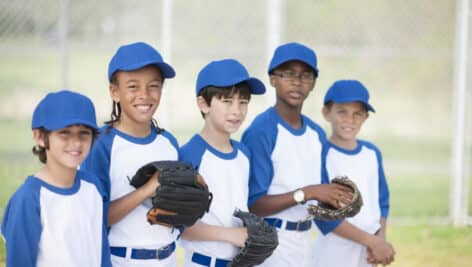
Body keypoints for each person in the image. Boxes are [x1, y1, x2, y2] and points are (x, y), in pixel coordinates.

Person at [241, 42, 353, 266]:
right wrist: (308, 193)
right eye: (288, 74)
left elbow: (320, 194)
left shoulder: (316, 134)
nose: (297, 82)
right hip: (270, 242)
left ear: (312, 84)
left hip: (303, 241)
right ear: (273, 79)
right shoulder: (262, 131)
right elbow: (253, 204)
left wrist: (338, 199)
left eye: (305, 75)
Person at [80, 42, 179, 267]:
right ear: (114, 92)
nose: (144, 95)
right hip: (121, 259)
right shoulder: (100, 145)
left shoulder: (169, 143)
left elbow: (177, 213)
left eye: (153, 86)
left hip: (168, 258)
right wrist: (146, 190)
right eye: (133, 87)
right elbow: (93, 218)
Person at [1, 90, 111, 267]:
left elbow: (101, 253)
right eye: (64, 133)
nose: (75, 142)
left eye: (84, 133)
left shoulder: (93, 187)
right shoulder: (29, 198)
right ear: (40, 137)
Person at [178, 59, 266, 266]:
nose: (237, 111)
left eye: (243, 102)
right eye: (227, 101)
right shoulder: (190, 155)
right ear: (203, 104)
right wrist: (232, 235)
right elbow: (180, 225)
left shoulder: (244, 154)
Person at [312, 79, 395, 266]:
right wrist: (372, 241)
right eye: (342, 112)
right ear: (326, 113)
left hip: (368, 252)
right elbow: (324, 216)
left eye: (357, 114)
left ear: (365, 117)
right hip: (334, 251)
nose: (350, 120)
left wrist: (379, 241)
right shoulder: (320, 153)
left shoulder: (371, 153)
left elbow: (382, 202)